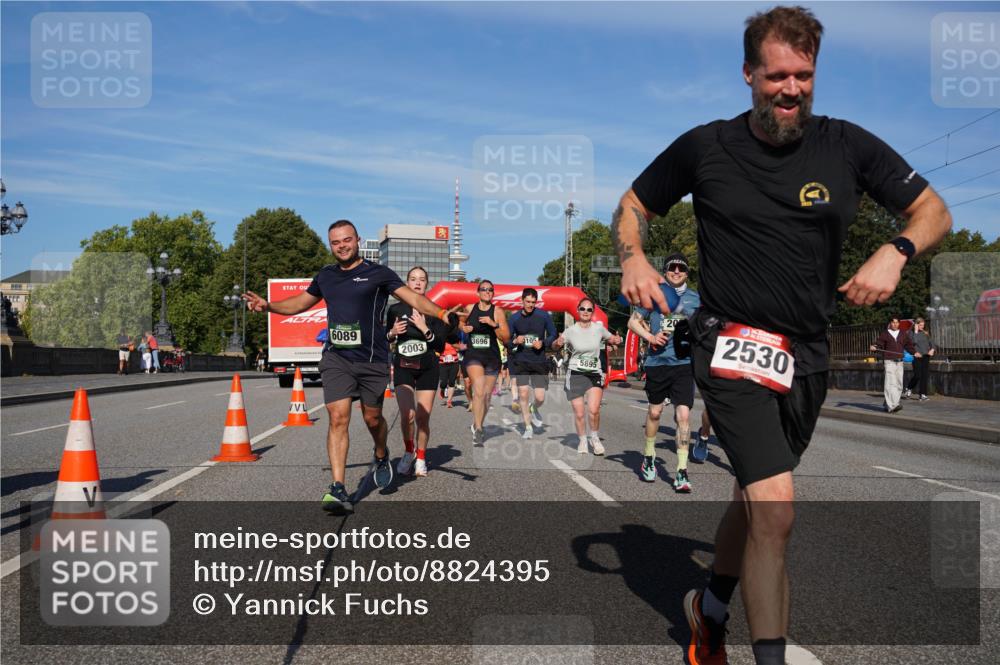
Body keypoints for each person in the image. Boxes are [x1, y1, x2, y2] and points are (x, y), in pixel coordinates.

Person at [612, 7, 952, 664]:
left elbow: (933, 209)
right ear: (748, 75)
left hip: (808, 356)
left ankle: (707, 610)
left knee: (754, 495)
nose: (790, 89)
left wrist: (897, 249)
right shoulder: (705, 146)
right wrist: (632, 255)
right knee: (776, 508)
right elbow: (633, 205)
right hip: (729, 344)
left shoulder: (847, 145)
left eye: (803, 75)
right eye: (776, 76)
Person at [243, 219, 458, 514]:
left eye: (346, 240)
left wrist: (443, 313)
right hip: (337, 358)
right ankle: (338, 487)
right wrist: (268, 306)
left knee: (372, 419)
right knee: (338, 417)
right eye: (335, 242)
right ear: (330, 245)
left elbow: (413, 298)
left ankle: (381, 454)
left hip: (372, 361)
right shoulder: (326, 276)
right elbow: (298, 304)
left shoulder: (378, 273)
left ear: (357, 240)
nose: (341, 246)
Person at [628, 253, 704, 491]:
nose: (677, 271)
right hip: (657, 362)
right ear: (666, 270)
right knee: (654, 412)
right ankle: (649, 457)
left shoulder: (696, 299)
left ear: (687, 272)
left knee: (683, 416)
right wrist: (651, 336)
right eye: (673, 267)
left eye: (682, 268)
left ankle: (681, 471)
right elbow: (632, 322)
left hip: (684, 365)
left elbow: (706, 327)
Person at [387, 267, 451, 478]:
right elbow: (385, 339)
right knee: (408, 414)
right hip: (404, 366)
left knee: (423, 418)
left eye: (422, 280)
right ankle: (408, 451)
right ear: (407, 283)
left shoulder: (435, 310)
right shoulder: (395, 310)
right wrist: (392, 333)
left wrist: (425, 328)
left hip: (428, 368)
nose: (417, 283)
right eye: (413, 279)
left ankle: (421, 457)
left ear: (426, 284)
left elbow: (440, 345)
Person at [552, 297, 622, 454]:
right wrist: (557, 342)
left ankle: (594, 439)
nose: (585, 312)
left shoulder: (599, 328)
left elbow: (613, 339)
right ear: (577, 311)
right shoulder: (570, 331)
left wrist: (618, 339)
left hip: (594, 373)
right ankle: (583, 440)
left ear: (593, 312)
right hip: (576, 373)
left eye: (589, 309)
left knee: (594, 409)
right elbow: (554, 345)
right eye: (582, 309)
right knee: (579, 413)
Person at [458, 279, 509, 445]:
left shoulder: (498, 312)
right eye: (484, 289)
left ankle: (476, 423)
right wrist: (463, 328)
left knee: (486, 397)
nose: (487, 292)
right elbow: (461, 322)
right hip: (474, 355)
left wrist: (493, 325)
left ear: (493, 293)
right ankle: (479, 429)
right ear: (478, 292)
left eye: (490, 290)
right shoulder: (470, 308)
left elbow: (506, 337)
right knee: (478, 391)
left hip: (492, 357)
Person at [507, 288, 558, 440]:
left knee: (540, 397)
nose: (530, 305)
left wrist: (543, 342)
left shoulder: (543, 316)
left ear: (536, 302)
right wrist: (515, 341)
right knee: (523, 394)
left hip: (539, 361)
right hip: (521, 360)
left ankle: (533, 407)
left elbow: (554, 333)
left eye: (533, 302)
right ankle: (528, 427)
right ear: (522, 301)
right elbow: (507, 340)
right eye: (527, 302)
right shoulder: (514, 318)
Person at [871, 316, 915, 413]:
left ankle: (890, 403)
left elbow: (908, 345)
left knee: (899, 384)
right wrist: (875, 346)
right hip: (889, 361)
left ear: (899, 323)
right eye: (893, 322)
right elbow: (879, 343)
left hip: (899, 362)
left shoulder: (903, 334)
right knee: (890, 384)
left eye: (897, 322)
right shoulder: (885, 334)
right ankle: (892, 406)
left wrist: (915, 352)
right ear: (890, 323)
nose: (895, 324)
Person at [904, 317, 934, 400]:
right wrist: (916, 332)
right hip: (916, 356)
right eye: (920, 325)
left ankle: (922, 394)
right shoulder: (910, 333)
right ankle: (909, 388)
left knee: (924, 375)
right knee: (917, 375)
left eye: (923, 325)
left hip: (926, 356)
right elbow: (914, 342)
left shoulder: (925, 333)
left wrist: (932, 349)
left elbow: (932, 343)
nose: (922, 327)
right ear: (916, 325)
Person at [439, 339, 461, 408]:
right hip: (443, 363)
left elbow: (460, 348)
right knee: (443, 382)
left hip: (454, 363)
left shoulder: (455, 338)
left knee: (452, 382)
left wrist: (458, 348)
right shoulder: (441, 339)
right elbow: (436, 350)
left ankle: (449, 401)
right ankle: (442, 389)